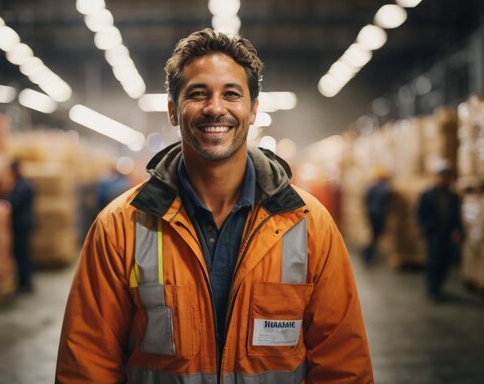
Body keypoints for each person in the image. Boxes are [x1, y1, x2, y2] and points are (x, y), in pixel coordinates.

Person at [56, 29, 373, 383]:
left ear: (253, 110)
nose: (215, 108)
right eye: (197, 93)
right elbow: (86, 365)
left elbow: (343, 365)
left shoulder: (309, 225)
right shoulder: (119, 227)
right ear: (174, 111)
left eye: (231, 94)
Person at [416, 161, 463, 301]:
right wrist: (422, 226)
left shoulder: (453, 196)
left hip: (447, 233)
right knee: (434, 261)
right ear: (435, 177)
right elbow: (420, 213)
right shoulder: (427, 195)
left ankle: (439, 286)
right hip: (433, 233)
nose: (443, 178)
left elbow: (456, 215)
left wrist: (458, 230)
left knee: (446, 261)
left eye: (445, 175)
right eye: (440, 175)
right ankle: (433, 288)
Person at [6, 160, 35, 292]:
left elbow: (13, 202)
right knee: (23, 253)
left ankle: (25, 283)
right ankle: (25, 281)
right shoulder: (25, 184)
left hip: (21, 224)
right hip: (24, 223)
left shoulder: (22, 186)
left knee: (21, 253)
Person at [362, 167, 392, 266]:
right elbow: (387, 200)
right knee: (375, 236)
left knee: (373, 235)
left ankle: (368, 255)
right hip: (379, 215)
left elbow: (366, 201)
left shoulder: (371, 187)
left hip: (371, 214)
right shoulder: (384, 188)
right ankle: (368, 255)